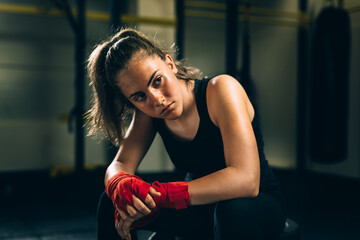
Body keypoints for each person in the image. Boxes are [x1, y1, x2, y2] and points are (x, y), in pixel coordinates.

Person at [87, 28, 286, 240]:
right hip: (199, 209)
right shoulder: (149, 112)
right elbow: (119, 164)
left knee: (235, 209)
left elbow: (247, 180)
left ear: (170, 64)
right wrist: (119, 182)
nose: (156, 99)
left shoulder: (222, 89)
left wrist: (166, 195)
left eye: (157, 81)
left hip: (256, 205)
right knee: (111, 204)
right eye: (139, 96)